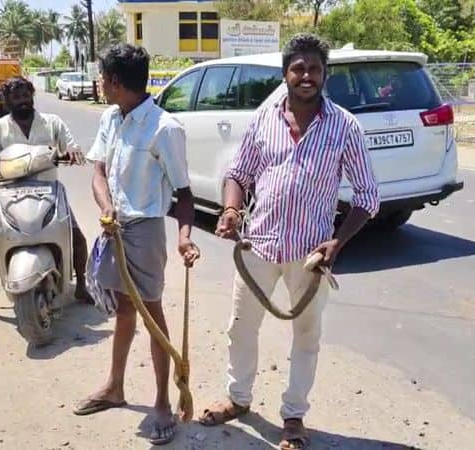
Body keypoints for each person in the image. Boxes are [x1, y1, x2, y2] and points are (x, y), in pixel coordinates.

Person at [198, 33, 380, 450]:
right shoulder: (265, 119)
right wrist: (230, 210)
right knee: (240, 329)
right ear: (285, 74)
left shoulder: (344, 127)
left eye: (315, 69)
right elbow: (238, 174)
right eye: (298, 68)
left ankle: (294, 416)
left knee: (306, 336)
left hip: (310, 254)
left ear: (324, 75)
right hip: (258, 246)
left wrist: (337, 242)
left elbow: (368, 197)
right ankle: (238, 398)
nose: (306, 76)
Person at [73, 44, 200, 446]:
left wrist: (183, 237)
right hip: (114, 229)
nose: (100, 84)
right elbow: (98, 170)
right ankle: (115, 387)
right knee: (125, 308)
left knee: (151, 313)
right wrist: (106, 206)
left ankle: (163, 402)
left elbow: (183, 193)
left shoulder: (165, 128)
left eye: (103, 77)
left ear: (114, 82)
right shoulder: (111, 117)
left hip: (144, 231)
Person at [0, 76, 92, 325]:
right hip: (10, 196)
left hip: (48, 191)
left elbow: (71, 146)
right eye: (16, 97)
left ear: (32, 96)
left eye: (26, 96)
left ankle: (81, 285)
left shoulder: (52, 123)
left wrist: (72, 153)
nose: (23, 101)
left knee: (77, 239)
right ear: (7, 101)